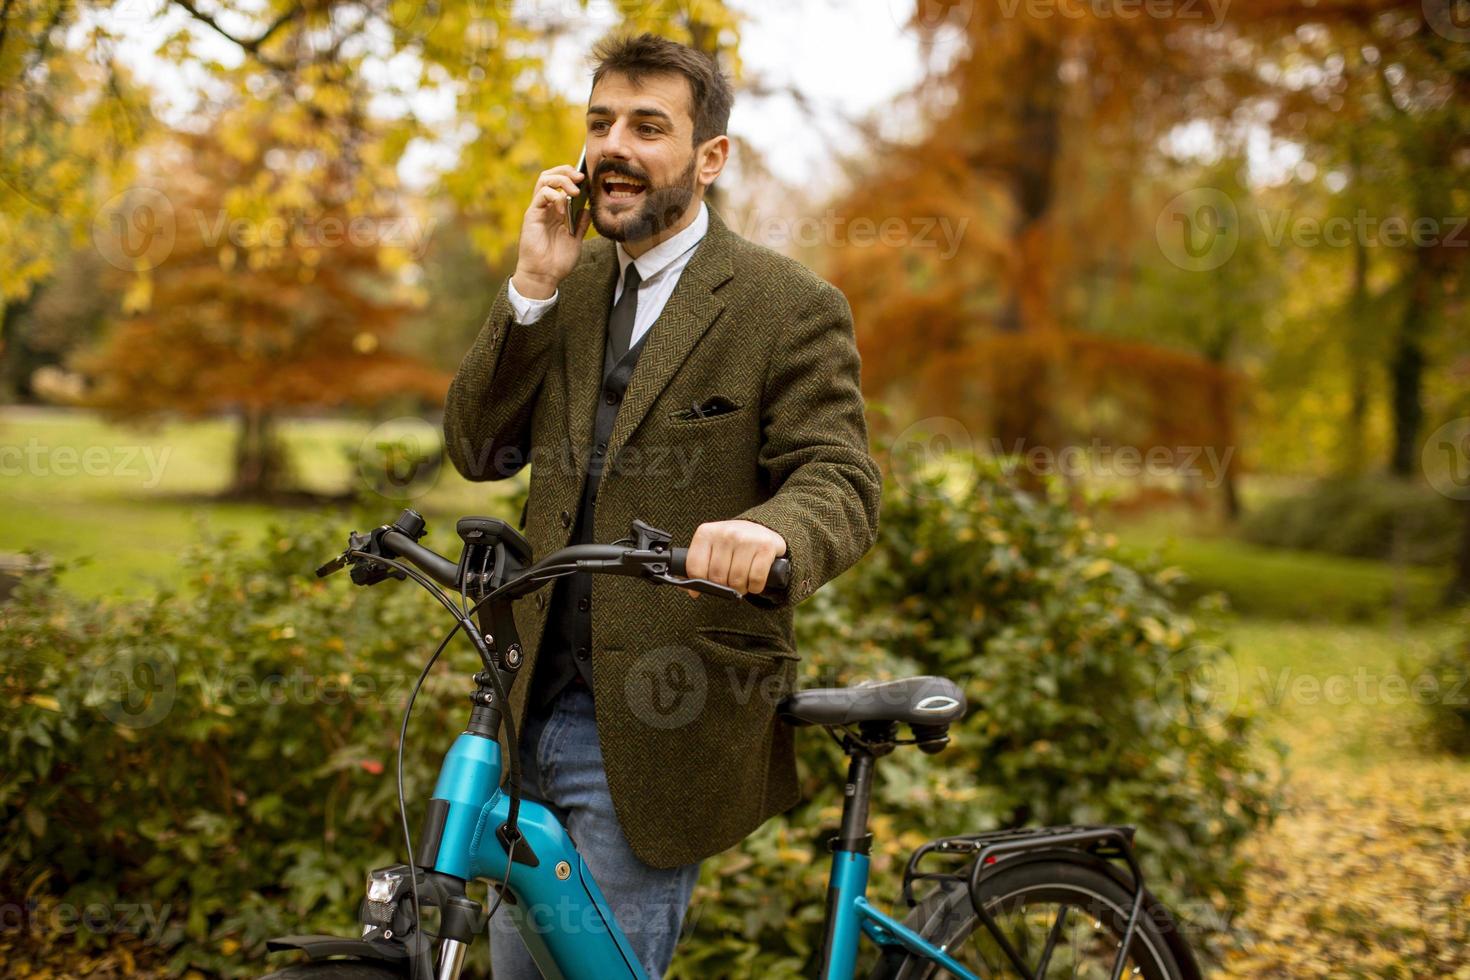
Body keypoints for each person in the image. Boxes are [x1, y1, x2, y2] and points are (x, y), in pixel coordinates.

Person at [442, 31, 881, 978]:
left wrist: (770, 532)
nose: (616, 148)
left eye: (649, 126)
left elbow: (840, 479)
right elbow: (480, 448)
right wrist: (530, 287)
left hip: (656, 719)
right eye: (601, 123)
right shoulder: (569, 278)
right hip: (528, 708)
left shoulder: (787, 304)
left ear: (709, 157)